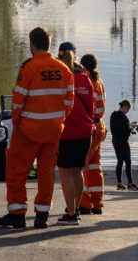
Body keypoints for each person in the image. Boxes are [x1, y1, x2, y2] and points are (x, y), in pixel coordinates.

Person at [0, 27, 74, 230]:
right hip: (53, 131)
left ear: (32, 45)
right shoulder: (64, 69)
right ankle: (42, 215)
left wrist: (19, 124)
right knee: (46, 174)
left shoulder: (29, 67)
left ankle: (17, 214)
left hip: (28, 131)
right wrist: (58, 121)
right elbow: (69, 103)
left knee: (17, 172)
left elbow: (18, 102)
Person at [56, 46, 95, 225]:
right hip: (85, 130)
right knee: (78, 171)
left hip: (67, 131)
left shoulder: (62, 77)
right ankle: (77, 208)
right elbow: (91, 107)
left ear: (59, 55)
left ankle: (70, 213)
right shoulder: (85, 78)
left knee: (65, 172)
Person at [79, 53, 108, 215]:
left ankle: (84, 203)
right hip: (99, 126)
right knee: (95, 167)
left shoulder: (86, 82)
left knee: (82, 166)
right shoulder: (99, 82)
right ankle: (97, 202)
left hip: (89, 127)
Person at [109, 100, 138, 191]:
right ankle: (130, 184)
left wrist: (130, 126)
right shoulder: (123, 117)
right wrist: (131, 127)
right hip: (123, 141)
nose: (127, 111)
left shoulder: (113, 115)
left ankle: (119, 184)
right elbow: (126, 133)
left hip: (115, 140)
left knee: (120, 161)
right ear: (126, 107)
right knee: (128, 161)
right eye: (128, 109)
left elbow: (118, 128)